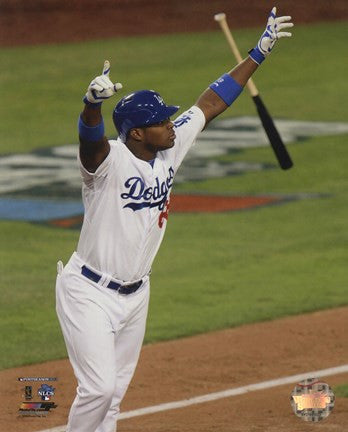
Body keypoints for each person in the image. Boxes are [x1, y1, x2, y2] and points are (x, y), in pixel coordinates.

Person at [55, 7, 293, 432]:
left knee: (114, 399)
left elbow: (211, 100)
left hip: (136, 293)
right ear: (135, 133)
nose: (170, 124)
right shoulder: (107, 163)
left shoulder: (168, 147)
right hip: (88, 292)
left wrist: (259, 52)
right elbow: (89, 140)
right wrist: (91, 104)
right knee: (99, 390)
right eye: (159, 121)